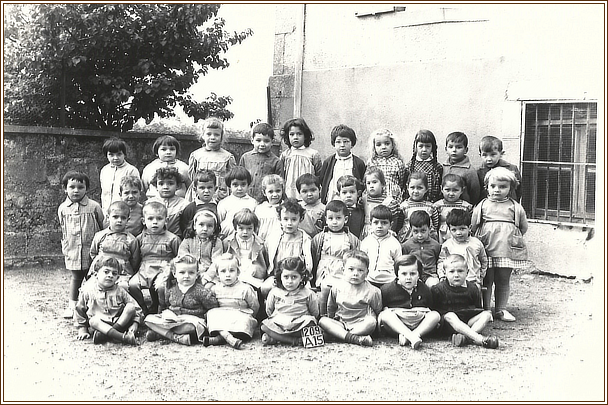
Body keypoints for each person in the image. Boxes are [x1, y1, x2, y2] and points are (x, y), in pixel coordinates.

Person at [471, 167, 529, 322]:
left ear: (511, 188)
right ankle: (486, 310)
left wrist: (510, 237)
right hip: (487, 248)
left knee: (503, 279)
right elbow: (474, 226)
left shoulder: (515, 207)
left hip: (506, 250)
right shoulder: (482, 205)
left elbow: (523, 227)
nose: (497, 190)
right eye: (493, 186)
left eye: (502, 187)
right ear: (487, 187)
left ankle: (501, 309)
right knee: (487, 279)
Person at [58, 171, 105, 318]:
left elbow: (102, 226)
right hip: (73, 249)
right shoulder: (63, 208)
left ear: (86, 189)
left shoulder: (94, 207)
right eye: (72, 187)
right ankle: (73, 306)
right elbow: (63, 228)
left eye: (80, 187)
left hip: (91, 250)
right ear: (65, 189)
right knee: (76, 277)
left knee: (93, 278)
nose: (76, 190)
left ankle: (94, 306)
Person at [144, 255, 219, 346]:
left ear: (197, 274)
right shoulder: (170, 289)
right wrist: (164, 316)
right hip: (173, 319)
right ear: (174, 274)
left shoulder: (201, 291)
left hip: (191, 320)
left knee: (191, 328)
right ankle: (176, 337)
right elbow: (166, 305)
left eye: (191, 273)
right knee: (148, 319)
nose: (186, 276)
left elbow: (213, 307)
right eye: (182, 272)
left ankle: (162, 334)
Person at [431, 254, 498, 349]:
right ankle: (479, 339)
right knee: (450, 315)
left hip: (467, 322)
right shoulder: (438, 289)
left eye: (460, 271)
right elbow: (433, 311)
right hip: (448, 324)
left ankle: (465, 338)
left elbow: (477, 309)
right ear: (445, 273)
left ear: (467, 272)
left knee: (486, 314)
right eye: (451, 271)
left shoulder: (473, 288)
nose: (456, 275)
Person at [318, 250, 382, 347]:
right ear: (343, 270)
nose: (355, 273)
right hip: (342, 323)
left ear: (367, 272)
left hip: (360, 325)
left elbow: (377, 311)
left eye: (360, 270)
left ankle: (340, 335)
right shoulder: (337, 287)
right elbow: (331, 307)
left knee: (371, 322)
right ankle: (353, 338)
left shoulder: (373, 291)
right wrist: (332, 321)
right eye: (351, 269)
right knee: (323, 321)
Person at [74, 257, 142, 346]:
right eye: (106, 272)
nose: (110, 275)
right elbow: (79, 311)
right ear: (96, 274)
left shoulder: (120, 291)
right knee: (93, 321)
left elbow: (137, 308)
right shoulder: (88, 291)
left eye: (114, 273)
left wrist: (135, 323)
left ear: (117, 278)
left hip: (119, 322)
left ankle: (107, 335)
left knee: (130, 307)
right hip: (100, 325)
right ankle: (123, 337)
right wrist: (82, 329)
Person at [378, 255, 441, 349]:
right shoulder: (387, 289)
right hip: (398, 323)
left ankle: (412, 335)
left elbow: (429, 306)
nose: (408, 277)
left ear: (419, 274)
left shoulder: (425, 289)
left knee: (435, 315)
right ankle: (411, 336)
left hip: (418, 322)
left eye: (412, 274)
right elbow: (383, 309)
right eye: (404, 274)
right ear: (397, 274)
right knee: (385, 315)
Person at [130, 201, 181, 315]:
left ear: (166, 220)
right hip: (144, 269)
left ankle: (162, 308)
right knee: (132, 285)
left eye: (159, 219)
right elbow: (136, 258)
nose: (155, 222)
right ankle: (143, 307)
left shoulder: (173, 239)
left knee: (162, 287)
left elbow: (178, 258)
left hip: (164, 269)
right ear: (143, 221)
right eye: (150, 219)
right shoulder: (140, 239)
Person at [311, 200, 360, 315]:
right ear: (326, 219)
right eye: (330, 218)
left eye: (338, 218)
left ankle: (338, 315)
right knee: (325, 288)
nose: (334, 222)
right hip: (325, 270)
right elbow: (313, 255)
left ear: (345, 219)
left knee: (340, 291)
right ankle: (322, 314)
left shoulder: (351, 238)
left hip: (341, 270)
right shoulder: (320, 237)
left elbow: (356, 256)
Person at [260, 257, 320, 346]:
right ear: (280, 277)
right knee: (264, 326)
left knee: (311, 322)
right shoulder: (275, 292)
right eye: (286, 277)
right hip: (280, 322)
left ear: (301, 277)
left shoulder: (308, 293)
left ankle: (278, 338)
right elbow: (269, 310)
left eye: (294, 277)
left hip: (300, 323)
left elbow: (314, 312)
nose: (290, 281)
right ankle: (292, 340)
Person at [205, 253, 260, 349]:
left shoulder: (245, 288)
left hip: (239, 314)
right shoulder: (215, 289)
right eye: (223, 271)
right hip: (222, 316)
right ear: (217, 274)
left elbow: (254, 306)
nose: (228, 275)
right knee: (211, 314)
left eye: (231, 270)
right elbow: (211, 305)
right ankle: (226, 336)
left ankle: (220, 338)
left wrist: (249, 315)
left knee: (245, 320)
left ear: (238, 272)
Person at [263, 198, 313, 297]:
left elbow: (308, 262)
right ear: (279, 218)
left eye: (294, 219)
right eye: (285, 219)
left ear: (300, 219)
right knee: (265, 288)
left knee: (307, 292)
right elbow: (267, 258)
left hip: (298, 277)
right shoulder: (273, 238)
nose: (289, 223)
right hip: (278, 276)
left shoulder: (305, 240)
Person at [88, 201, 140, 290]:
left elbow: (134, 260)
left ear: (128, 220)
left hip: (122, 273)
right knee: (90, 287)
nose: (119, 220)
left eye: (123, 218)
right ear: (108, 217)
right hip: (101, 270)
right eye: (115, 217)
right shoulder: (100, 236)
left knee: (122, 287)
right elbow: (93, 253)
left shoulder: (131, 239)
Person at [186, 116, 237, 202]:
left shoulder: (228, 157)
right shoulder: (196, 155)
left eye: (216, 134)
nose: (212, 137)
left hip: (220, 194)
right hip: (201, 193)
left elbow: (232, 178)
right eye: (208, 134)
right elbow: (192, 176)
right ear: (203, 135)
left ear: (221, 136)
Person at [437, 209, 488, 289]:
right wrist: (442, 275)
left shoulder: (476, 244)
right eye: (454, 230)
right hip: (452, 282)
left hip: (472, 281)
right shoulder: (447, 246)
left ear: (469, 228)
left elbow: (483, 260)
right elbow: (441, 261)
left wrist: (480, 277)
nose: (458, 233)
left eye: (462, 229)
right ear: (449, 230)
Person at [319, 124, 366, 204]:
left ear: (352, 144)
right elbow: (323, 180)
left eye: (346, 141)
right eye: (338, 142)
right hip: (334, 199)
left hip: (351, 199)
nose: (342, 145)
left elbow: (362, 182)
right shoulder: (328, 162)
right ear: (333, 144)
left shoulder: (358, 163)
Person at [221, 208, 268, 290]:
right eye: (241, 228)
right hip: (234, 270)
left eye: (249, 228)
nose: (245, 232)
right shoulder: (227, 242)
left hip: (252, 273)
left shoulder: (260, 244)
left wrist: (256, 270)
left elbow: (264, 264)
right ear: (235, 228)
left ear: (254, 228)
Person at [239, 122, 283, 202]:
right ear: (252, 140)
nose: (262, 144)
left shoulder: (276, 161)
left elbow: (279, 184)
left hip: (266, 200)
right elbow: (239, 177)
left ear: (272, 142)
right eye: (258, 140)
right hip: (246, 198)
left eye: (266, 141)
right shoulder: (245, 157)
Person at [360, 205, 402, 288]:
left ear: (390, 225)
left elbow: (399, 264)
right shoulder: (366, 242)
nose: (379, 226)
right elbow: (361, 261)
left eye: (384, 223)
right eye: (376, 222)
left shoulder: (394, 243)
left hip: (389, 281)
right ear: (370, 223)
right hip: (369, 280)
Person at [280, 118, 322, 200]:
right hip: (290, 193)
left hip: (308, 192)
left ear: (305, 136)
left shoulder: (313, 154)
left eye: (299, 134)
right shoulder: (285, 155)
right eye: (292, 134)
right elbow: (281, 176)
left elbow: (319, 175)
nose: (295, 137)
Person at [400, 211, 442, 287]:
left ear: (429, 229)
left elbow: (437, 260)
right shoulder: (406, 245)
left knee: (434, 285)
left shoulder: (435, 245)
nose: (419, 235)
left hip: (430, 275)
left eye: (423, 231)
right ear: (411, 230)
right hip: (413, 275)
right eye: (416, 231)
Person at [366, 128, 408, 203]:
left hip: (393, 195)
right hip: (376, 195)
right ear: (374, 147)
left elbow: (401, 181)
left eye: (387, 143)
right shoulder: (372, 162)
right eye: (379, 145)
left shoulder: (397, 162)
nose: (383, 147)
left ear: (392, 145)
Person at [141, 135, 190, 199]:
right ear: (157, 152)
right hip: (155, 202)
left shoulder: (184, 168)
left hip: (178, 202)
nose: (168, 152)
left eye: (172, 149)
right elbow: (144, 187)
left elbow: (190, 187)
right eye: (164, 149)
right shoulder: (150, 168)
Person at [99, 137, 140, 214]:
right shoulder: (104, 170)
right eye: (111, 155)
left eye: (119, 154)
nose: (115, 158)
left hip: (124, 213)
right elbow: (104, 193)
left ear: (124, 154)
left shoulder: (131, 170)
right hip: (107, 212)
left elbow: (135, 193)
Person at [179, 209, 224, 280]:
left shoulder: (216, 242)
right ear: (194, 226)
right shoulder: (188, 240)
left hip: (209, 274)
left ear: (214, 229)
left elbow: (216, 262)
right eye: (201, 225)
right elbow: (183, 256)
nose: (205, 229)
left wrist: (207, 276)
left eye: (209, 226)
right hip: (190, 273)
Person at [360, 167, 404, 239]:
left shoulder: (389, 202)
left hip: (384, 233)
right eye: (368, 183)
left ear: (383, 184)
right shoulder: (363, 200)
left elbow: (394, 222)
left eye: (374, 182)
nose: (371, 186)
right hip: (367, 233)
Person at [477, 136, 522, 202]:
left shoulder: (511, 169)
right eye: (485, 155)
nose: (489, 159)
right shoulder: (479, 172)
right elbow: (478, 193)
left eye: (493, 154)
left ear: (501, 154)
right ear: (480, 155)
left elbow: (518, 190)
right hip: (489, 205)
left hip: (508, 204)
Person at [217, 166, 258, 240]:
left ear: (248, 185)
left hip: (246, 239)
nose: (239, 188)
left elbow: (255, 224)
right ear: (229, 185)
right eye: (235, 185)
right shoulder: (224, 203)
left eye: (243, 184)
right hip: (227, 239)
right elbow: (220, 221)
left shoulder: (253, 203)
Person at [148, 166, 190, 238]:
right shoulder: (149, 204)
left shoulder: (184, 205)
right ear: (156, 186)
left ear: (178, 185)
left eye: (170, 183)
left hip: (176, 240)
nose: (165, 187)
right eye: (161, 184)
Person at [398, 172, 439, 243]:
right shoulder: (403, 207)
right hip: (408, 241)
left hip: (427, 242)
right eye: (412, 187)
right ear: (407, 187)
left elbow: (435, 225)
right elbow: (399, 225)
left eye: (419, 188)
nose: (416, 191)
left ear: (426, 189)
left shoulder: (431, 207)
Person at [442, 131, 481, 205]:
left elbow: (475, 193)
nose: (454, 150)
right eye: (450, 147)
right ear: (446, 149)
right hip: (444, 205)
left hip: (462, 207)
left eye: (458, 147)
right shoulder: (443, 167)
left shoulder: (469, 170)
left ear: (466, 150)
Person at [433, 174, 473, 243]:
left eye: (455, 190)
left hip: (460, 236)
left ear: (462, 190)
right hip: (442, 236)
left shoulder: (466, 207)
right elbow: (434, 224)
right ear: (441, 189)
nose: (451, 193)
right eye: (447, 190)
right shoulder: (437, 206)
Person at [405, 129, 443, 203]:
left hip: (431, 203)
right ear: (415, 147)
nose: (424, 149)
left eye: (428, 146)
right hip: (413, 203)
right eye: (421, 146)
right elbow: (406, 188)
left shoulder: (437, 167)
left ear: (432, 148)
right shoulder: (410, 166)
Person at [179, 169, 219, 234]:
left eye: (209, 187)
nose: (206, 191)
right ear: (195, 190)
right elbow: (184, 228)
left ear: (215, 189)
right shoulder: (190, 209)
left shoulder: (219, 206)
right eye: (202, 188)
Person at [254, 174, 284, 242]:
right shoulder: (260, 209)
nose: (275, 195)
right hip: (262, 242)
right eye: (270, 192)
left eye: (278, 191)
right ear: (264, 192)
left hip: (279, 243)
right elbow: (255, 229)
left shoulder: (285, 207)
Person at [296, 173, 325, 238]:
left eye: (313, 190)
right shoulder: (296, 208)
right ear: (299, 193)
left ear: (319, 189)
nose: (309, 194)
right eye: (305, 191)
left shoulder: (324, 209)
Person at [336, 175, 365, 239]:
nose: (348, 195)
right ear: (338, 194)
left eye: (352, 192)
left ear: (358, 193)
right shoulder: (336, 212)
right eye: (344, 192)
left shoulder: (362, 212)